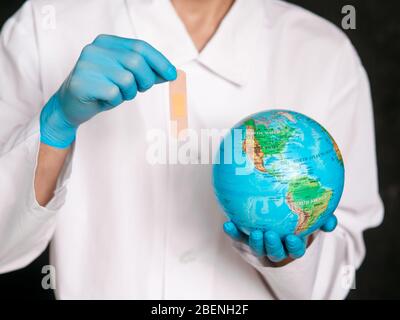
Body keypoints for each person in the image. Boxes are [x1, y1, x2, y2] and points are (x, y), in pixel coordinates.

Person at [0, 0, 383, 299]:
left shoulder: (326, 54)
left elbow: (335, 283)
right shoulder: (43, 26)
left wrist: (290, 256)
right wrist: (55, 126)